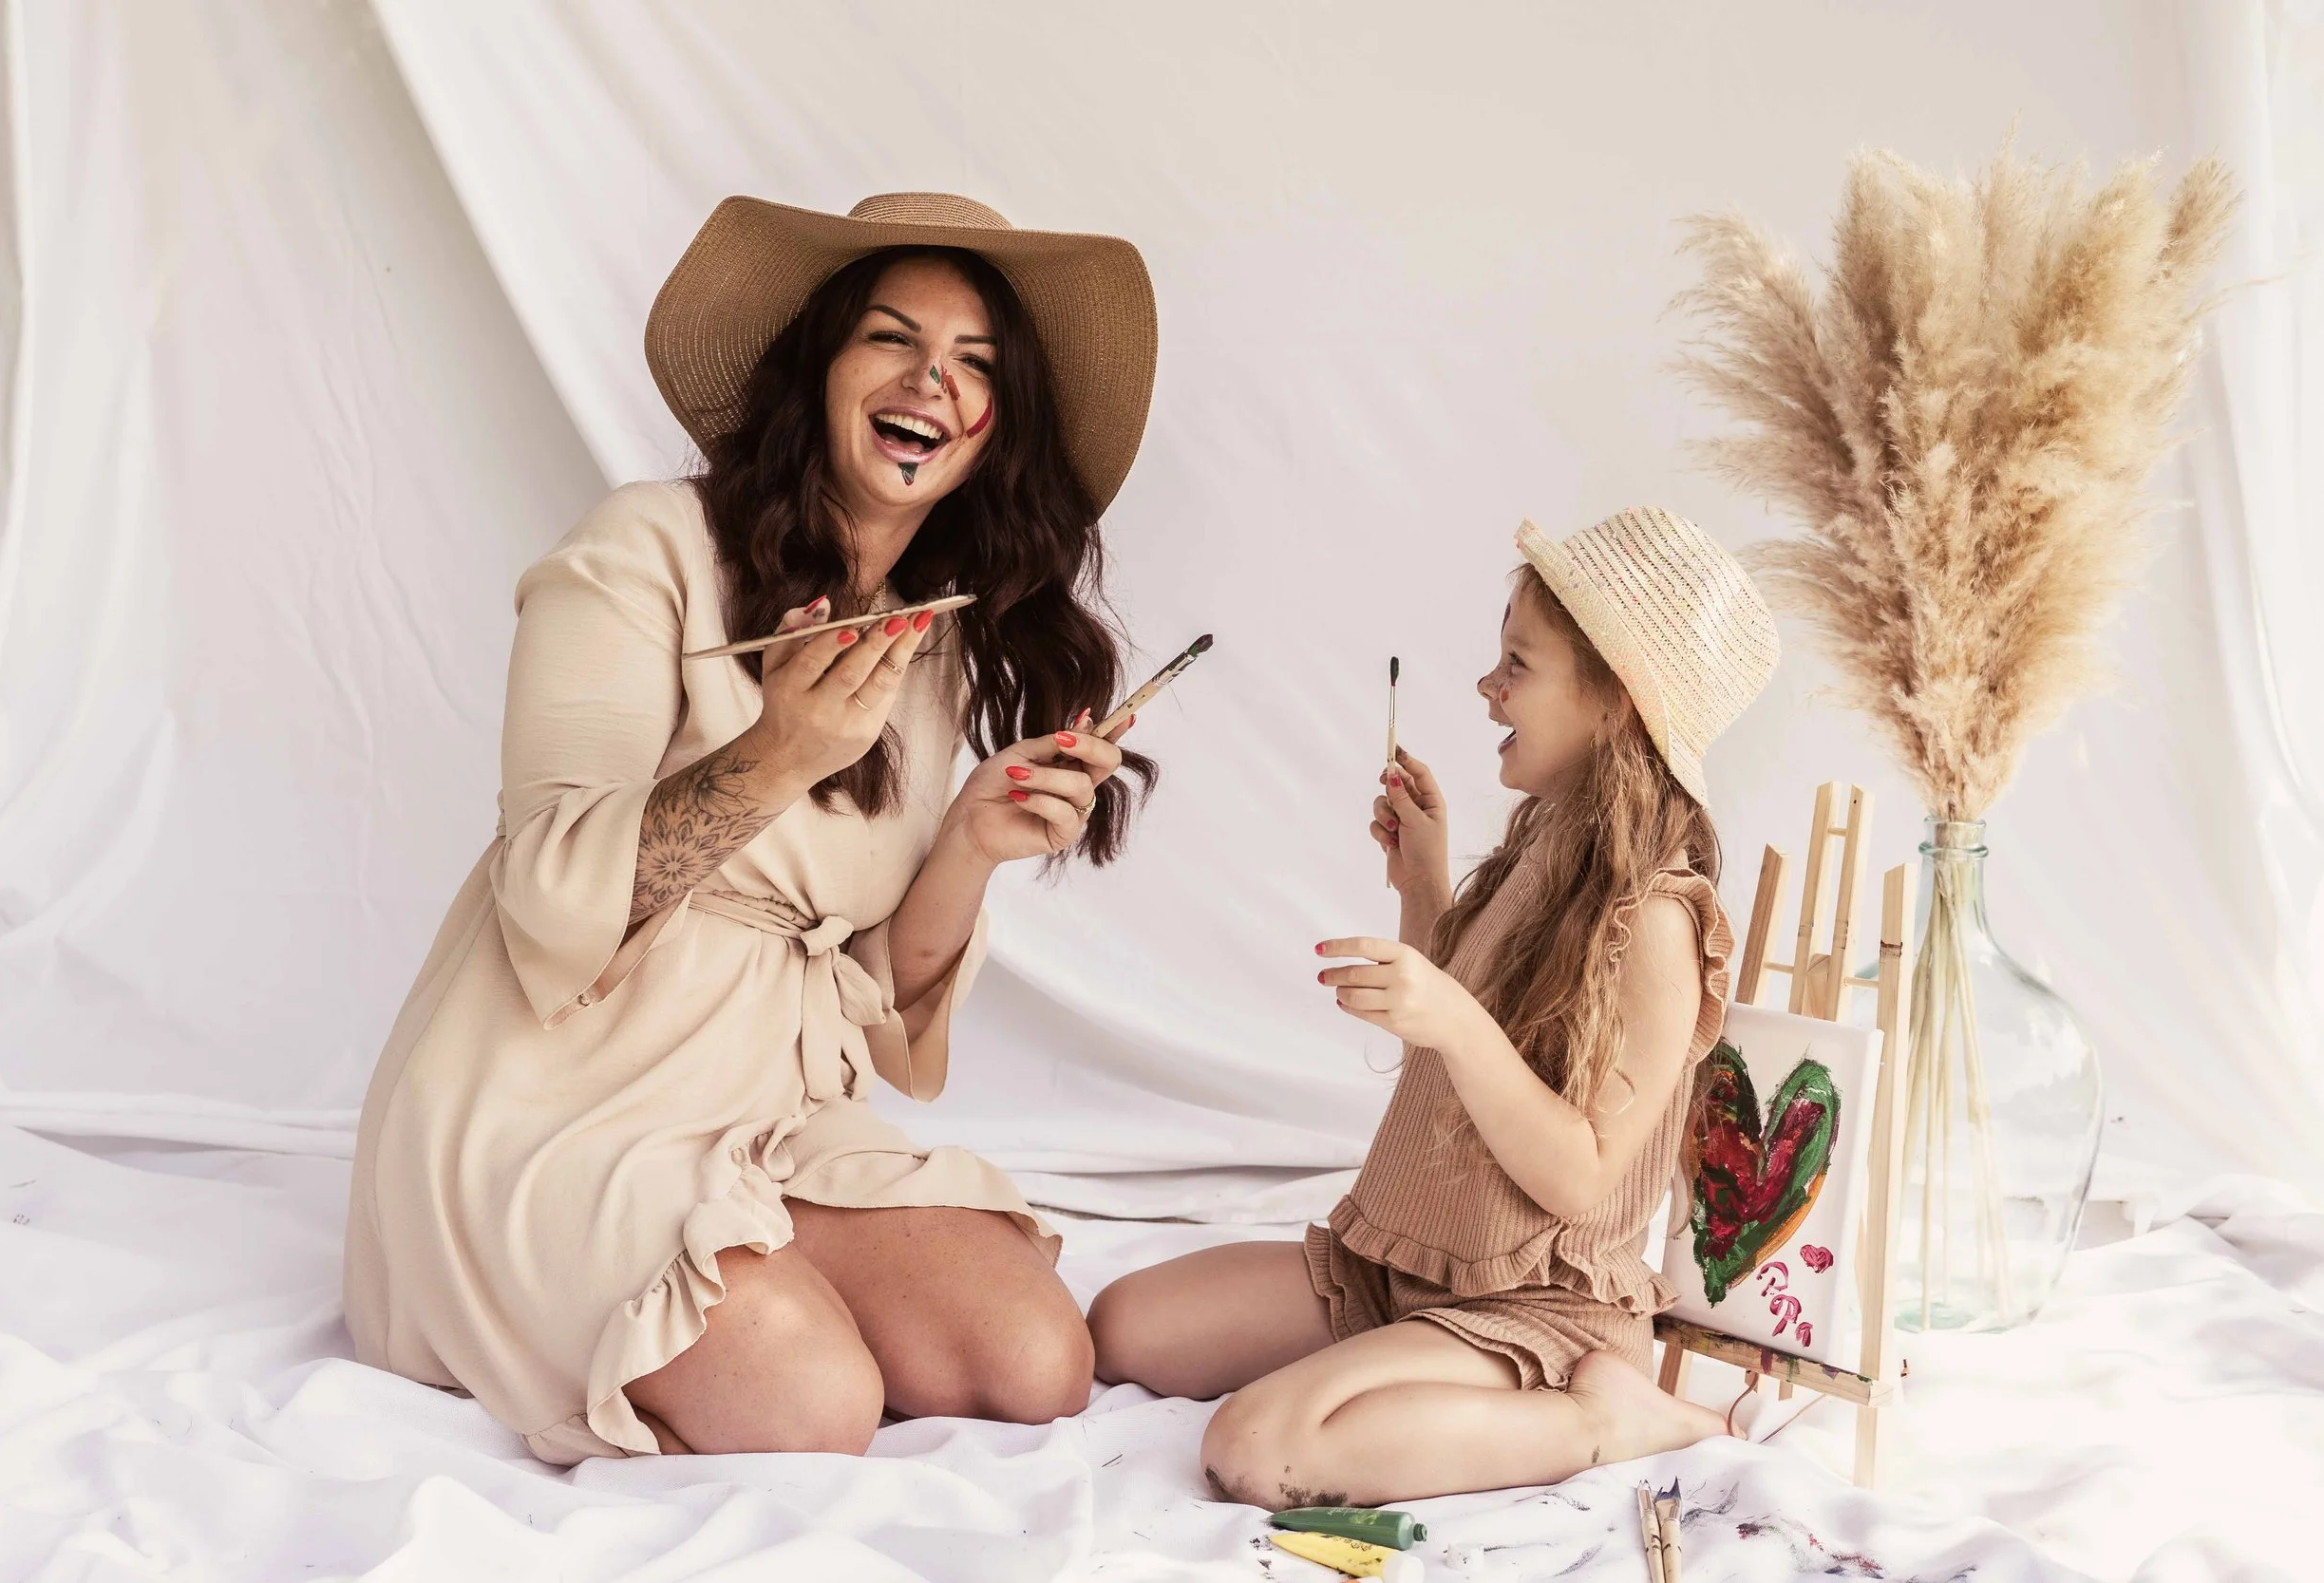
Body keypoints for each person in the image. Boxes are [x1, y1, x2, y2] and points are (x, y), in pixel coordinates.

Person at [345, 192, 1162, 1463]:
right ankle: (630, 1294)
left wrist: (970, 844)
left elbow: (863, 988)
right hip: (551, 1097)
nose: (932, 383)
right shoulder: (645, 545)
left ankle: (747, 1272)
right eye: (892, 339)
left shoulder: (930, 640)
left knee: (1034, 1356)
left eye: (976, 364)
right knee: (810, 1400)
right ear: (820, 367)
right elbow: (548, 898)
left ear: (999, 427)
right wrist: (776, 753)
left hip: (760, 1114)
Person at [1088, 507, 1782, 1505]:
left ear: (1614, 706)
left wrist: (1450, 1014)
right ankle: (1402, 1357)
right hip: (1412, 1265)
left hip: (1533, 1304)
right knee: (1126, 1325)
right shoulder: (1537, 851)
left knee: (1255, 1447)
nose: (1486, 687)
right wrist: (1423, 886)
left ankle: (1603, 1415)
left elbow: (1580, 1176)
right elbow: (1460, 1044)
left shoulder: (1658, 923)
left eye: (1517, 664)